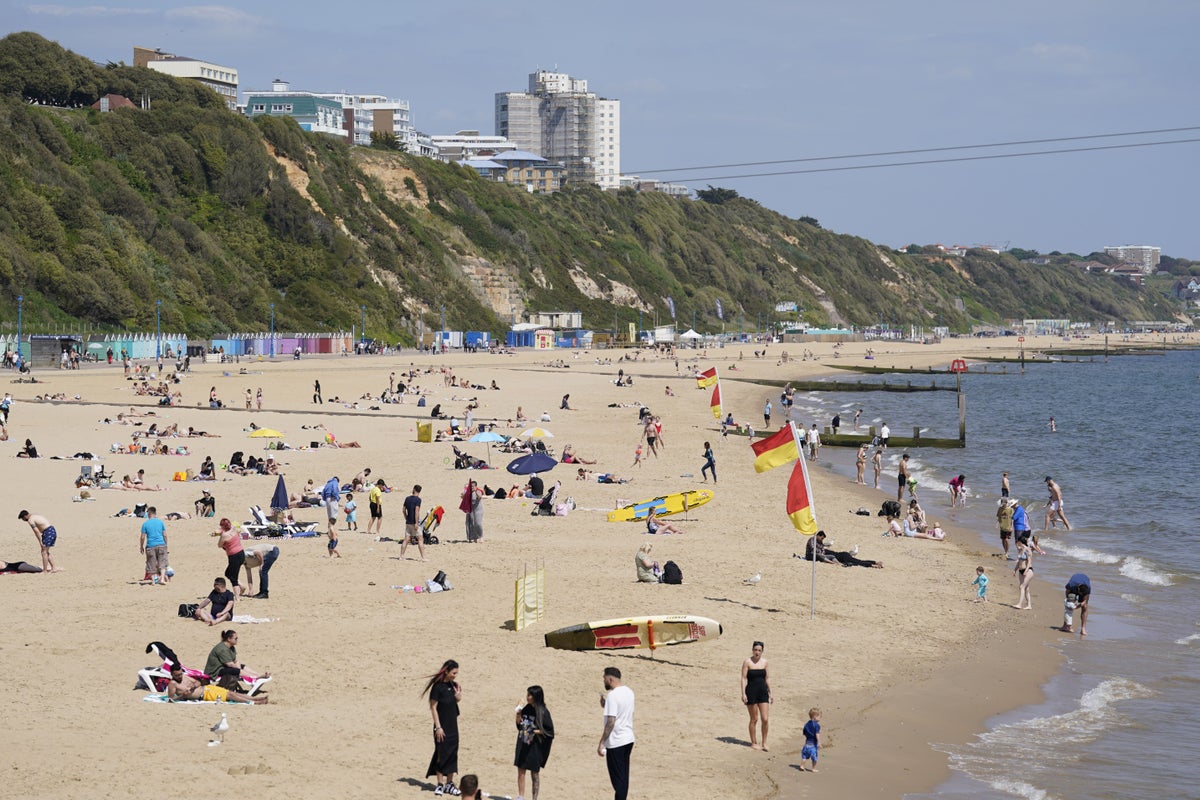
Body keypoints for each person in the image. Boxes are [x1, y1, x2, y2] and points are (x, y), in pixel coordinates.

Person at [424, 659, 462, 797]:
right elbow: (433, 707)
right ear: (446, 671)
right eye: (453, 673)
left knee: (452, 753)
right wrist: (438, 727)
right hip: (442, 725)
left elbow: (456, 700)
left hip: (453, 725)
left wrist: (458, 697)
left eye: (456, 673)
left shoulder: (454, 685)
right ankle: (440, 784)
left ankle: (449, 784)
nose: (455, 675)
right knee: (441, 753)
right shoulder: (437, 687)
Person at [598, 666, 635, 800]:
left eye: (605, 679)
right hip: (628, 739)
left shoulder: (613, 695)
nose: (604, 681)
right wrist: (606, 704)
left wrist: (602, 742)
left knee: (618, 780)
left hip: (616, 742)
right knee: (623, 776)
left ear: (610, 679)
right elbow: (622, 710)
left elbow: (611, 721)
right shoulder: (629, 692)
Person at [515, 685, 554, 800]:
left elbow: (549, 730)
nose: (527, 697)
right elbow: (519, 726)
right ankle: (521, 796)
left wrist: (533, 731)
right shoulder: (526, 708)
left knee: (534, 774)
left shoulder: (543, 712)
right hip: (523, 743)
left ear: (536, 697)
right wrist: (518, 713)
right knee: (521, 771)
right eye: (527, 694)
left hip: (535, 747)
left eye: (530, 695)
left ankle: (534, 798)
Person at [166, 664, 266, 704]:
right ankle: (253, 702)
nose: (180, 676)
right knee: (230, 695)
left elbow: (197, 682)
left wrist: (193, 686)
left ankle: (254, 699)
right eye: (177, 675)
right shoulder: (172, 684)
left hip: (207, 688)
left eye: (180, 674)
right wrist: (183, 695)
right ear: (172, 674)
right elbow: (171, 700)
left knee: (230, 692)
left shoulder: (184, 676)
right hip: (204, 695)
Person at [741, 641, 772, 751]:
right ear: (752, 650)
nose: (757, 652)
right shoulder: (747, 662)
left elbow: (767, 678)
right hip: (751, 692)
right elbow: (744, 678)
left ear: (762, 651)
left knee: (765, 719)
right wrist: (743, 693)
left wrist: (771, 692)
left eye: (759, 650)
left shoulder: (765, 662)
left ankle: (764, 742)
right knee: (754, 719)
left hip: (763, 692)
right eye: (755, 650)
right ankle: (754, 742)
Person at [138, 506, 168, 584]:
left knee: (151, 563)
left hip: (150, 545)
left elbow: (142, 537)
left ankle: (154, 581)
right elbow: (164, 534)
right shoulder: (160, 522)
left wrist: (141, 546)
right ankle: (162, 579)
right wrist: (166, 544)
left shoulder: (145, 524)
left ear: (149, 513)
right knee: (162, 563)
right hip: (161, 544)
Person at [216, 518, 245, 594]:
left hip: (234, 556)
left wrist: (220, 535)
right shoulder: (234, 529)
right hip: (241, 553)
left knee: (233, 578)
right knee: (228, 573)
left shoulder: (224, 535)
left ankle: (238, 596)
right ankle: (241, 586)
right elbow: (236, 530)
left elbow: (219, 545)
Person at [402, 485, 427, 561]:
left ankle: (401, 556)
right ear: (419, 491)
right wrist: (416, 522)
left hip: (408, 522)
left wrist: (406, 517)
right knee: (420, 539)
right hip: (414, 522)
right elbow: (417, 511)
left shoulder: (407, 498)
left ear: (414, 489)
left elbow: (403, 510)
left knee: (406, 539)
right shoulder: (418, 500)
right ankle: (423, 557)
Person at [1012, 540, 1034, 610]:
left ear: (1020, 543)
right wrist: (1015, 570)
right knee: (1026, 588)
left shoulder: (1027, 550)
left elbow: (1029, 561)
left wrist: (1026, 571)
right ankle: (1029, 605)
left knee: (1022, 587)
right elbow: (1019, 562)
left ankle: (1020, 604)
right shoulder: (1020, 550)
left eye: (1017, 544)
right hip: (1021, 571)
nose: (1016, 546)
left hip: (1028, 570)